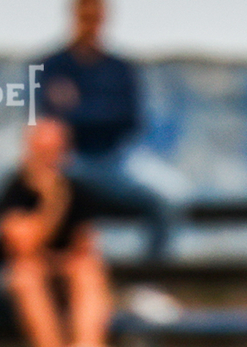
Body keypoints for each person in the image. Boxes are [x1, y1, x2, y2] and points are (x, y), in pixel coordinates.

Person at [39, 0, 171, 260]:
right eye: (84, 15)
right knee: (37, 194)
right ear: (75, 15)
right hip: (70, 161)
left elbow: (131, 120)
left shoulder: (120, 68)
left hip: (117, 160)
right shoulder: (52, 65)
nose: (90, 23)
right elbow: (47, 124)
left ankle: (151, 275)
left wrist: (78, 109)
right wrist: (103, 110)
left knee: (169, 197)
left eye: (95, 15)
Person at [0, 117, 114, 347]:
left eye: (53, 151)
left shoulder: (78, 190)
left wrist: (60, 263)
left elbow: (85, 248)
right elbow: (22, 249)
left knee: (87, 270)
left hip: (56, 277)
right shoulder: (14, 190)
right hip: (3, 284)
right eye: (40, 151)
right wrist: (53, 202)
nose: (47, 158)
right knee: (26, 275)